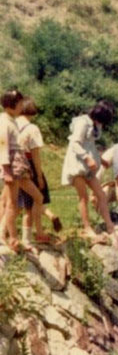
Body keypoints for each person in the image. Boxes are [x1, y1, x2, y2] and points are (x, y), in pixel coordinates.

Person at [60, 101, 116, 240]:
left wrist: (99, 159)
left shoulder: (96, 124)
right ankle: (87, 227)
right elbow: (75, 143)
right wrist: (87, 158)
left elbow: (91, 144)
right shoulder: (83, 123)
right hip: (78, 164)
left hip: (89, 166)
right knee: (83, 196)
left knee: (101, 195)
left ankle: (110, 225)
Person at [15, 98, 61, 244]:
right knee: (35, 200)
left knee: (14, 203)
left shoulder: (11, 125)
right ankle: (34, 235)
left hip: (11, 165)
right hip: (27, 166)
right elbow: (35, 155)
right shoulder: (32, 129)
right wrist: (39, 176)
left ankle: (8, 234)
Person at [0, 89, 28, 251]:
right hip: (10, 165)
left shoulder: (11, 120)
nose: (22, 106)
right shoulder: (4, 122)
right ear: (12, 105)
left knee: (6, 201)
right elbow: (2, 147)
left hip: (15, 163)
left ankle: (2, 234)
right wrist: (7, 170)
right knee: (12, 204)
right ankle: (13, 238)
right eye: (19, 103)